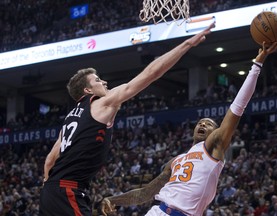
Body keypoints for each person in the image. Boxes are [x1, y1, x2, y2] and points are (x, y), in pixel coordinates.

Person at [39, 22, 216, 216]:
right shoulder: (102, 103)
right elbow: (151, 74)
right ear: (88, 90)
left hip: (51, 193)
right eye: (98, 80)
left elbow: (50, 160)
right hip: (69, 189)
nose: (104, 81)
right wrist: (187, 44)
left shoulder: (70, 119)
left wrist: (49, 188)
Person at [100, 41, 277, 216]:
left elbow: (238, 107)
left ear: (216, 132)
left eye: (208, 124)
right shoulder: (175, 160)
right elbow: (145, 193)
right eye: (200, 122)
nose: (202, 124)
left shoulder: (213, 146)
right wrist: (112, 200)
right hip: (158, 211)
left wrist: (257, 64)